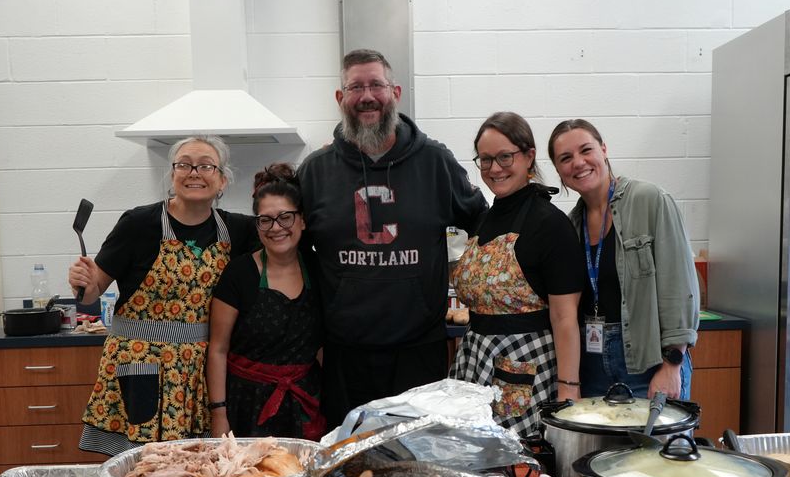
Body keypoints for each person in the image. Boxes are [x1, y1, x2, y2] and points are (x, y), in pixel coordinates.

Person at [297, 48, 488, 427]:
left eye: (376, 85)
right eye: (355, 87)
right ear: (340, 98)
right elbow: (295, 251)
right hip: (344, 352)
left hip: (420, 348)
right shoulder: (316, 171)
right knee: (348, 459)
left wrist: (472, 283)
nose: (367, 96)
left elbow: (482, 222)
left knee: (415, 459)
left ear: (395, 92)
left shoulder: (435, 162)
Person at [68, 135, 257, 455]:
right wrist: (82, 282)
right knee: (139, 467)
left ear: (222, 180)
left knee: (193, 466)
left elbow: (284, 234)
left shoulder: (237, 231)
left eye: (206, 166)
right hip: (139, 362)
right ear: (172, 175)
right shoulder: (139, 223)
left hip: (196, 374)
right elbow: (92, 293)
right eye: (184, 164)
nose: (194, 172)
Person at [449, 112, 583, 438]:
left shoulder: (550, 224)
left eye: (505, 156)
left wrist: (568, 391)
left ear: (529, 156)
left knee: (520, 471)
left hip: (527, 367)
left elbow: (565, 318)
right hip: (476, 359)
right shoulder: (486, 219)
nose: (495, 168)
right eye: (485, 160)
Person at [548, 119, 699, 400]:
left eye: (586, 150)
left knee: (654, 445)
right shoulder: (570, 226)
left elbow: (679, 287)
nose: (578, 163)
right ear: (558, 170)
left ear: (604, 149)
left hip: (649, 364)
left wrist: (672, 364)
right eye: (565, 158)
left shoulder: (650, 200)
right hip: (591, 368)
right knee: (602, 447)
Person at [206, 164, 324, 441]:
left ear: (302, 221)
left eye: (285, 217)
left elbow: (320, 346)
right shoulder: (240, 273)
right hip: (245, 404)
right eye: (265, 220)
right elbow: (218, 350)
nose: (276, 228)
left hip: (305, 401)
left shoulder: (319, 270)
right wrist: (218, 414)